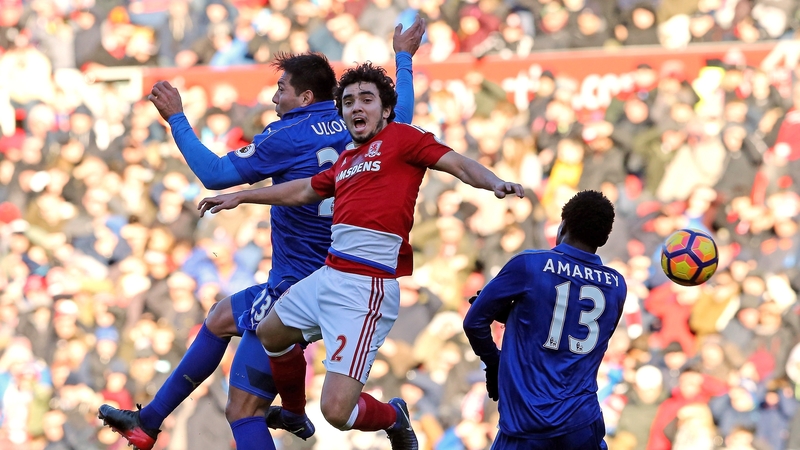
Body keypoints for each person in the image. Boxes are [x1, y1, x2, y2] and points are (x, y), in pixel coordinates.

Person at [97, 17, 427, 450]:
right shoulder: (365, 124)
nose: (274, 99)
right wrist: (403, 57)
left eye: (282, 90)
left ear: (305, 96)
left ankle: (161, 424)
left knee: (243, 410)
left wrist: (177, 119)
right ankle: (150, 423)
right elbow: (402, 110)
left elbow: (215, 174)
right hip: (345, 278)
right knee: (219, 319)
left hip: (301, 287)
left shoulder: (286, 135)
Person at [196, 62, 524, 449]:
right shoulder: (347, 159)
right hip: (329, 274)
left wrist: (495, 183)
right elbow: (302, 191)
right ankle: (294, 412)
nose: (356, 107)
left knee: (336, 412)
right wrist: (241, 196)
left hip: (366, 289)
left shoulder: (404, 139)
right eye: (348, 101)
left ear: (385, 110)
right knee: (270, 330)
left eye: (366, 99)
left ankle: (393, 416)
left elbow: (457, 163)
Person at [463, 190, 627, 449]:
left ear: (563, 225)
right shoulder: (617, 285)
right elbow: (574, 328)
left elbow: (474, 322)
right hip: (582, 425)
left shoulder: (530, 265)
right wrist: (518, 316)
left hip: (526, 424)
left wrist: (495, 364)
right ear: (605, 238)